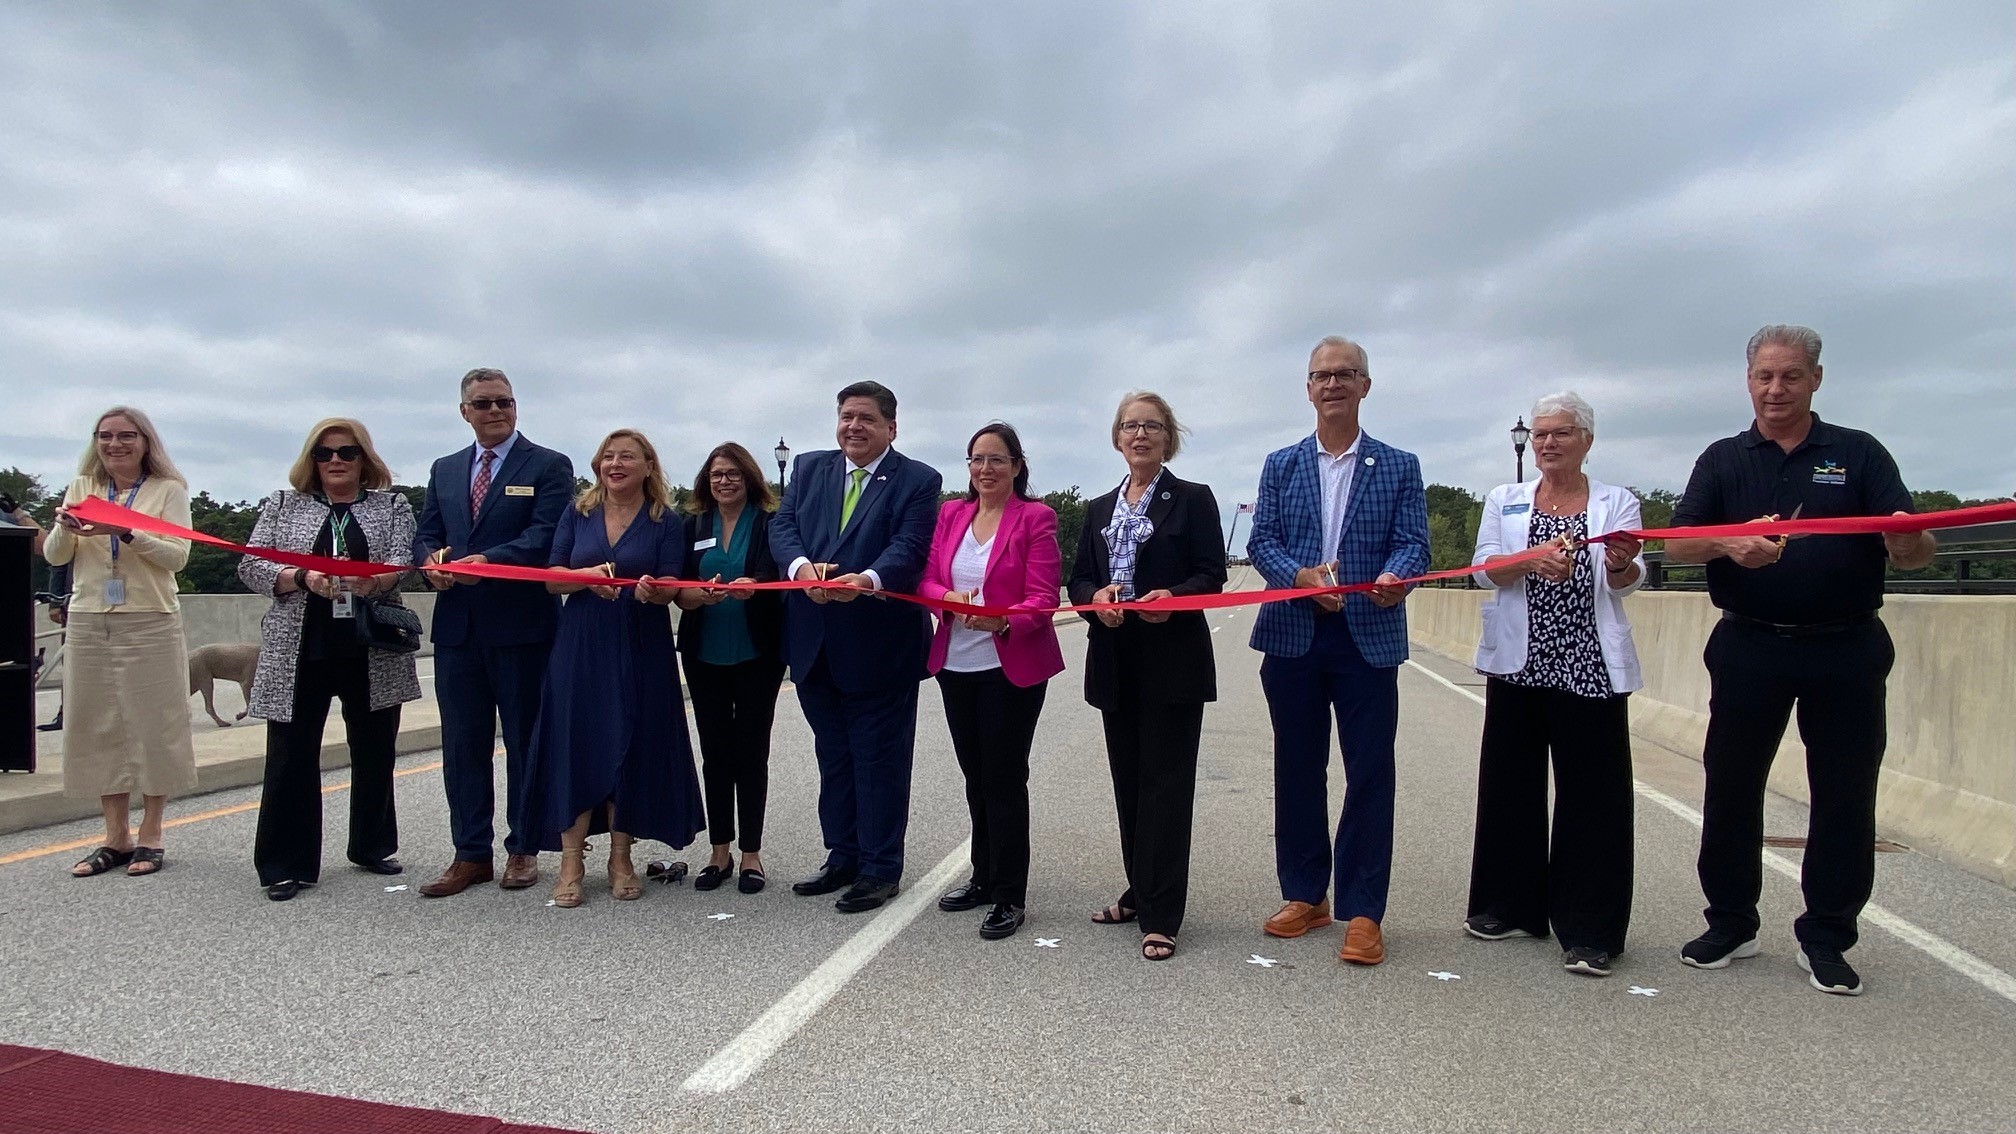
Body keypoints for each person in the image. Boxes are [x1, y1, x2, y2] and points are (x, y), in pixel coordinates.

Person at [1666, 324, 1934, 996]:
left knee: (1843, 794)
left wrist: (1908, 545)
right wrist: (1731, 545)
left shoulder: (1858, 453)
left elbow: (1914, 546)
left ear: (1816, 379)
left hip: (1845, 646)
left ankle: (1827, 935)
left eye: (1790, 376)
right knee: (1731, 785)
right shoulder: (1724, 458)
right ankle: (1731, 921)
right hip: (1750, 643)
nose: (1776, 389)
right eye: (1764, 376)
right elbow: (1677, 546)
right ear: (1749, 380)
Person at [1245, 337, 1429, 966]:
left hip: (1367, 638)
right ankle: (1304, 894)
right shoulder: (1281, 464)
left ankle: (1363, 910)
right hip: (1294, 633)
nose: (1332, 385)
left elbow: (1414, 545)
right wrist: (1299, 578)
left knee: (1370, 774)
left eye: (1345, 375)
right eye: (1321, 376)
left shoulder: (1399, 465)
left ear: (1365, 386)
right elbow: (1262, 540)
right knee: (1297, 768)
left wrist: (1392, 577)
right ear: (1308, 388)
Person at [1464, 392, 1646, 976]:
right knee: (1509, 787)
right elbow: (1485, 568)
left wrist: (1619, 563)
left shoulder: (1617, 501)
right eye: (1540, 434)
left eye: (1561, 433)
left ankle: (1590, 929)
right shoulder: (1506, 499)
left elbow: (1626, 579)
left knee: (1594, 798)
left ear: (1586, 440)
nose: (1547, 443)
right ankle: (1508, 907)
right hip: (1520, 663)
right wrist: (1529, 560)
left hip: (1587, 662)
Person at [770, 381, 941, 913]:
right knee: (835, 757)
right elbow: (783, 527)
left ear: (892, 427)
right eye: (846, 417)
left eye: (866, 418)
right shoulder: (808, 468)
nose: (854, 427)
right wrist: (801, 570)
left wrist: (864, 580)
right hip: (815, 642)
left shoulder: (917, 480)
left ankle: (880, 867)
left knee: (879, 760)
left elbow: (910, 549)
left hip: (879, 645)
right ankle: (841, 856)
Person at [1068, 391, 1226, 961]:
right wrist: (1096, 598)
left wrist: (1173, 597)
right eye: (1130, 426)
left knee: (1165, 786)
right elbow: (1079, 579)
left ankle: (1162, 914)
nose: (1140, 435)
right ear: (1117, 437)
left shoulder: (1191, 499)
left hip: (1171, 659)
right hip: (1114, 657)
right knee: (1130, 784)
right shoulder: (1097, 508)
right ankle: (1139, 891)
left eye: (1152, 427)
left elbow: (1212, 576)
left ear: (1168, 438)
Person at [237, 419, 422, 901]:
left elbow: (404, 562)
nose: (336, 461)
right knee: (290, 756)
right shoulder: (282, 504)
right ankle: (284, 863)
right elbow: (251, 565)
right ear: (311, 460)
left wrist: (374, 581)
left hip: (371, 643)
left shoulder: (392, 506)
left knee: (376, 750)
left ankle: (371, 844)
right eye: (324, 453)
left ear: (365, 460)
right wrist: (300, 577)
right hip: (301, 647)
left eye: (347, 452)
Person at [520, 429, 705, 907]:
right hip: (581, 646)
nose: (615, 463)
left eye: (628, 456)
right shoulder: (577, 512)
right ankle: (570, 861)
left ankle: (620, 856)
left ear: (649, 466)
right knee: (575, 742)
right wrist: (582, 579)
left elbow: (671, 582)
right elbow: (551, 579)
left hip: (641, 642)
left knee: (629, 742)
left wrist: (653, 590)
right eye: (608, 456)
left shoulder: (666, 521)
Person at [412, 368, 575, 898]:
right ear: (465, 411)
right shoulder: (445, 469)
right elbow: (429, 531)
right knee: (463, 746)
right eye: (483, 404)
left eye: (504, 401)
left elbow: (546, 534)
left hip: (522, 626)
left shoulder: (548, 465)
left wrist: (490, 560)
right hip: (458, 627)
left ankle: (524, 847)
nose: (495, 411)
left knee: (526, 740)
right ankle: (469, 853)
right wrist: (431, 561)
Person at [921, 423, 1066, 940]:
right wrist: (948, 598)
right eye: (977, 460)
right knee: (976, 778)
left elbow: (1043, 596)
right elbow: (929, 578)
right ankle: (982, 877)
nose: (985, 469)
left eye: (997, 460)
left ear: (1017, 466)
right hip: (956, 665)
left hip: (1009, 665)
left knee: (1004, 779)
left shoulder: (1036, 517)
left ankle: (1009, 892)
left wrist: (1003, 619)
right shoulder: (952, 513)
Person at [44, 406, 194, 878]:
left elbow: (177, 557)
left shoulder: (168, 490)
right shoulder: (82, 488)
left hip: (150, 618)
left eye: (127, 436)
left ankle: (151, 833)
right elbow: (56, 554)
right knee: (96, 727)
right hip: (90, 617)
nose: (115, 444)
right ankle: (114, 836)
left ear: (145, 441)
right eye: (105, 436)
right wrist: (64, 529)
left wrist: (123, 531)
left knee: (154, 726)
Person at [675, 443, 786, 895]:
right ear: (707, 480)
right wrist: (695, 595)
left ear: (750, 479)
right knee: (716, 754)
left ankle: (751, 855)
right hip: (704, 655)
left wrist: (754, 586)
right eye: (717, 474)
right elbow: (678, 587)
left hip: (757, 654)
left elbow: (778, 577)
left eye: (733, 474)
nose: (724, 481)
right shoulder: (693, 525)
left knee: (751, 754)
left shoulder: (771, 523)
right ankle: (719, 851)